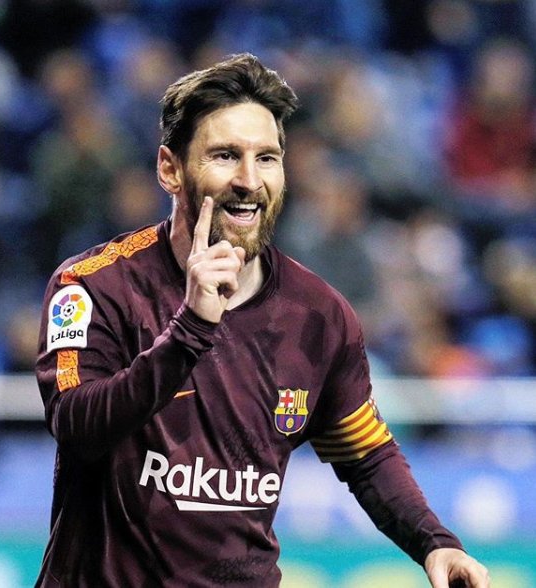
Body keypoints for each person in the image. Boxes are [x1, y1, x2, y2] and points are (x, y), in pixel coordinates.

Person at [35, 53, 490, 587]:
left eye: (267, 158)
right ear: (170, 169)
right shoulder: (93, 286)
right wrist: (189, 332)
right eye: (226, 156)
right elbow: (77, 427)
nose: (250, 180)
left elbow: (365, 454)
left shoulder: (318, 315)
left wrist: (434, 542)